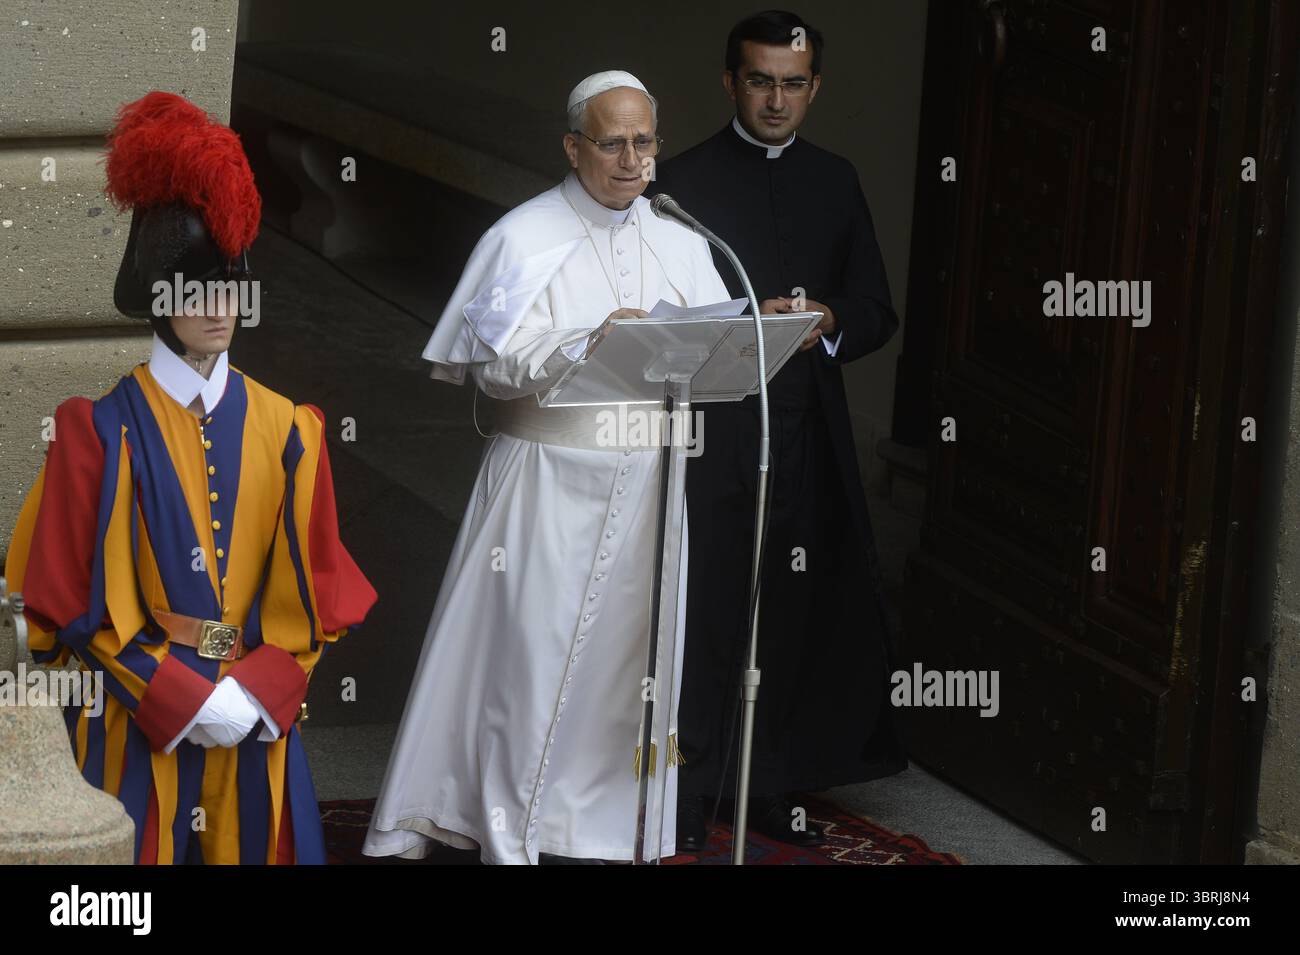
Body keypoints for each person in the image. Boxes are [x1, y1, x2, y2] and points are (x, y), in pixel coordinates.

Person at [362, 70, 731, 865]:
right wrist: (591, 339)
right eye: (612, 142)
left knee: (626, 673)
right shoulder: (521, 237)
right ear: (573, 146)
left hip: (650, 489)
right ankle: (500, 823)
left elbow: (706, 356)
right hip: (546, 478)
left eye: (645, 141)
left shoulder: (683, 239)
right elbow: (494, 368)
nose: (632, 159)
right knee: (519, 660)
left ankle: (596, 827)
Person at [3, 91, 378, 864]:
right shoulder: (95, 432)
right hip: (132, 728)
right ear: (157, 293)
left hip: (256, 724)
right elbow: (70, 608)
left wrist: (253, 692)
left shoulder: (292, 431)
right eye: (200, 288)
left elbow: (313, 599)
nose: (221, 306)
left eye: (233, 286)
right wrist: (178, 697)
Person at [648, 10, 907, 850]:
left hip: (807, 434)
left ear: (814, 89)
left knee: (792, 608)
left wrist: (830, 318)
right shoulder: (680, 184)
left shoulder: (836, 180)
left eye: (793, 84)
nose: (776, 100)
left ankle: (770, 779)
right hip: (714, 435)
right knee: (706, 605)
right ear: (731, 84)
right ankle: (689, 778)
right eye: (761, 81)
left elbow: (875, 307)